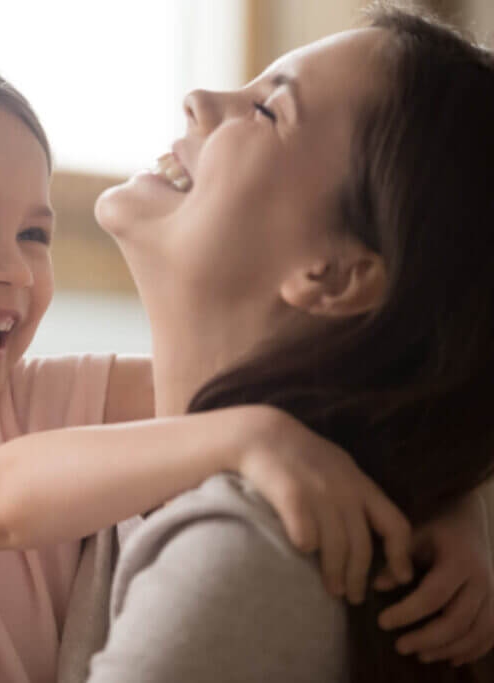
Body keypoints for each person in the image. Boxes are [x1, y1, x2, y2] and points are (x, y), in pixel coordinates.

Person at [0, 32, 493, 683]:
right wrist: (248, 440)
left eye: (34, 233)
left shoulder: (36, 413)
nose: (13, 268)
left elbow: (358, 399)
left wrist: (453, 506)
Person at [79, 5, 494, 681]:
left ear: (334, 274)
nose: (200, 101)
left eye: (269, 111)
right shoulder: (120, 456)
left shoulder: (241, 555)